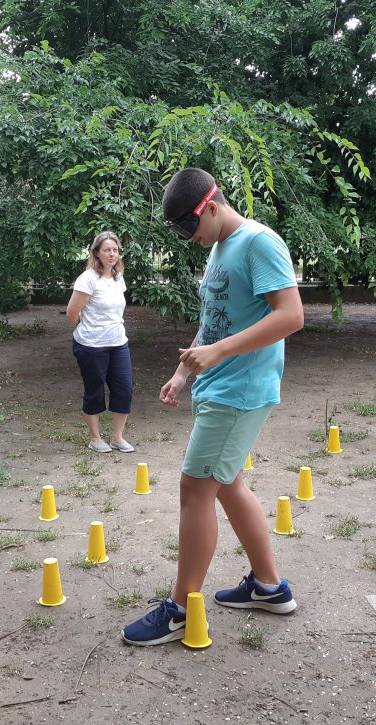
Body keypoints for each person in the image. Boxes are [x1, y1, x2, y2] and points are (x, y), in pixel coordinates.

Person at [121, 168, 304, 646]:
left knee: (194, 490)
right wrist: (185, 372)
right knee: (227, 486)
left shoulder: (260, 242)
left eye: (188, 227)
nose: (188, 239)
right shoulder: (221, 248)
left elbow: (292, 316)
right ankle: (269, 587)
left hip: (239, 390)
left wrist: (219, 355)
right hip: (217, 387)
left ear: (210, 205)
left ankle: (181, 609)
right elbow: (216, 322)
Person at [66, 231, 134, 453]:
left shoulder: (117, 277)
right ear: (96, 252)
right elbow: (72, 313)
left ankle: (117, 437)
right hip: (91, 345)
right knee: (94, 390)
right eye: (107, 250)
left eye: (115, 250)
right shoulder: (88, 279)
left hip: (118, 343)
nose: (112, 254)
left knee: (124, 389)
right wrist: (88, 330)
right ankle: (95, 439)